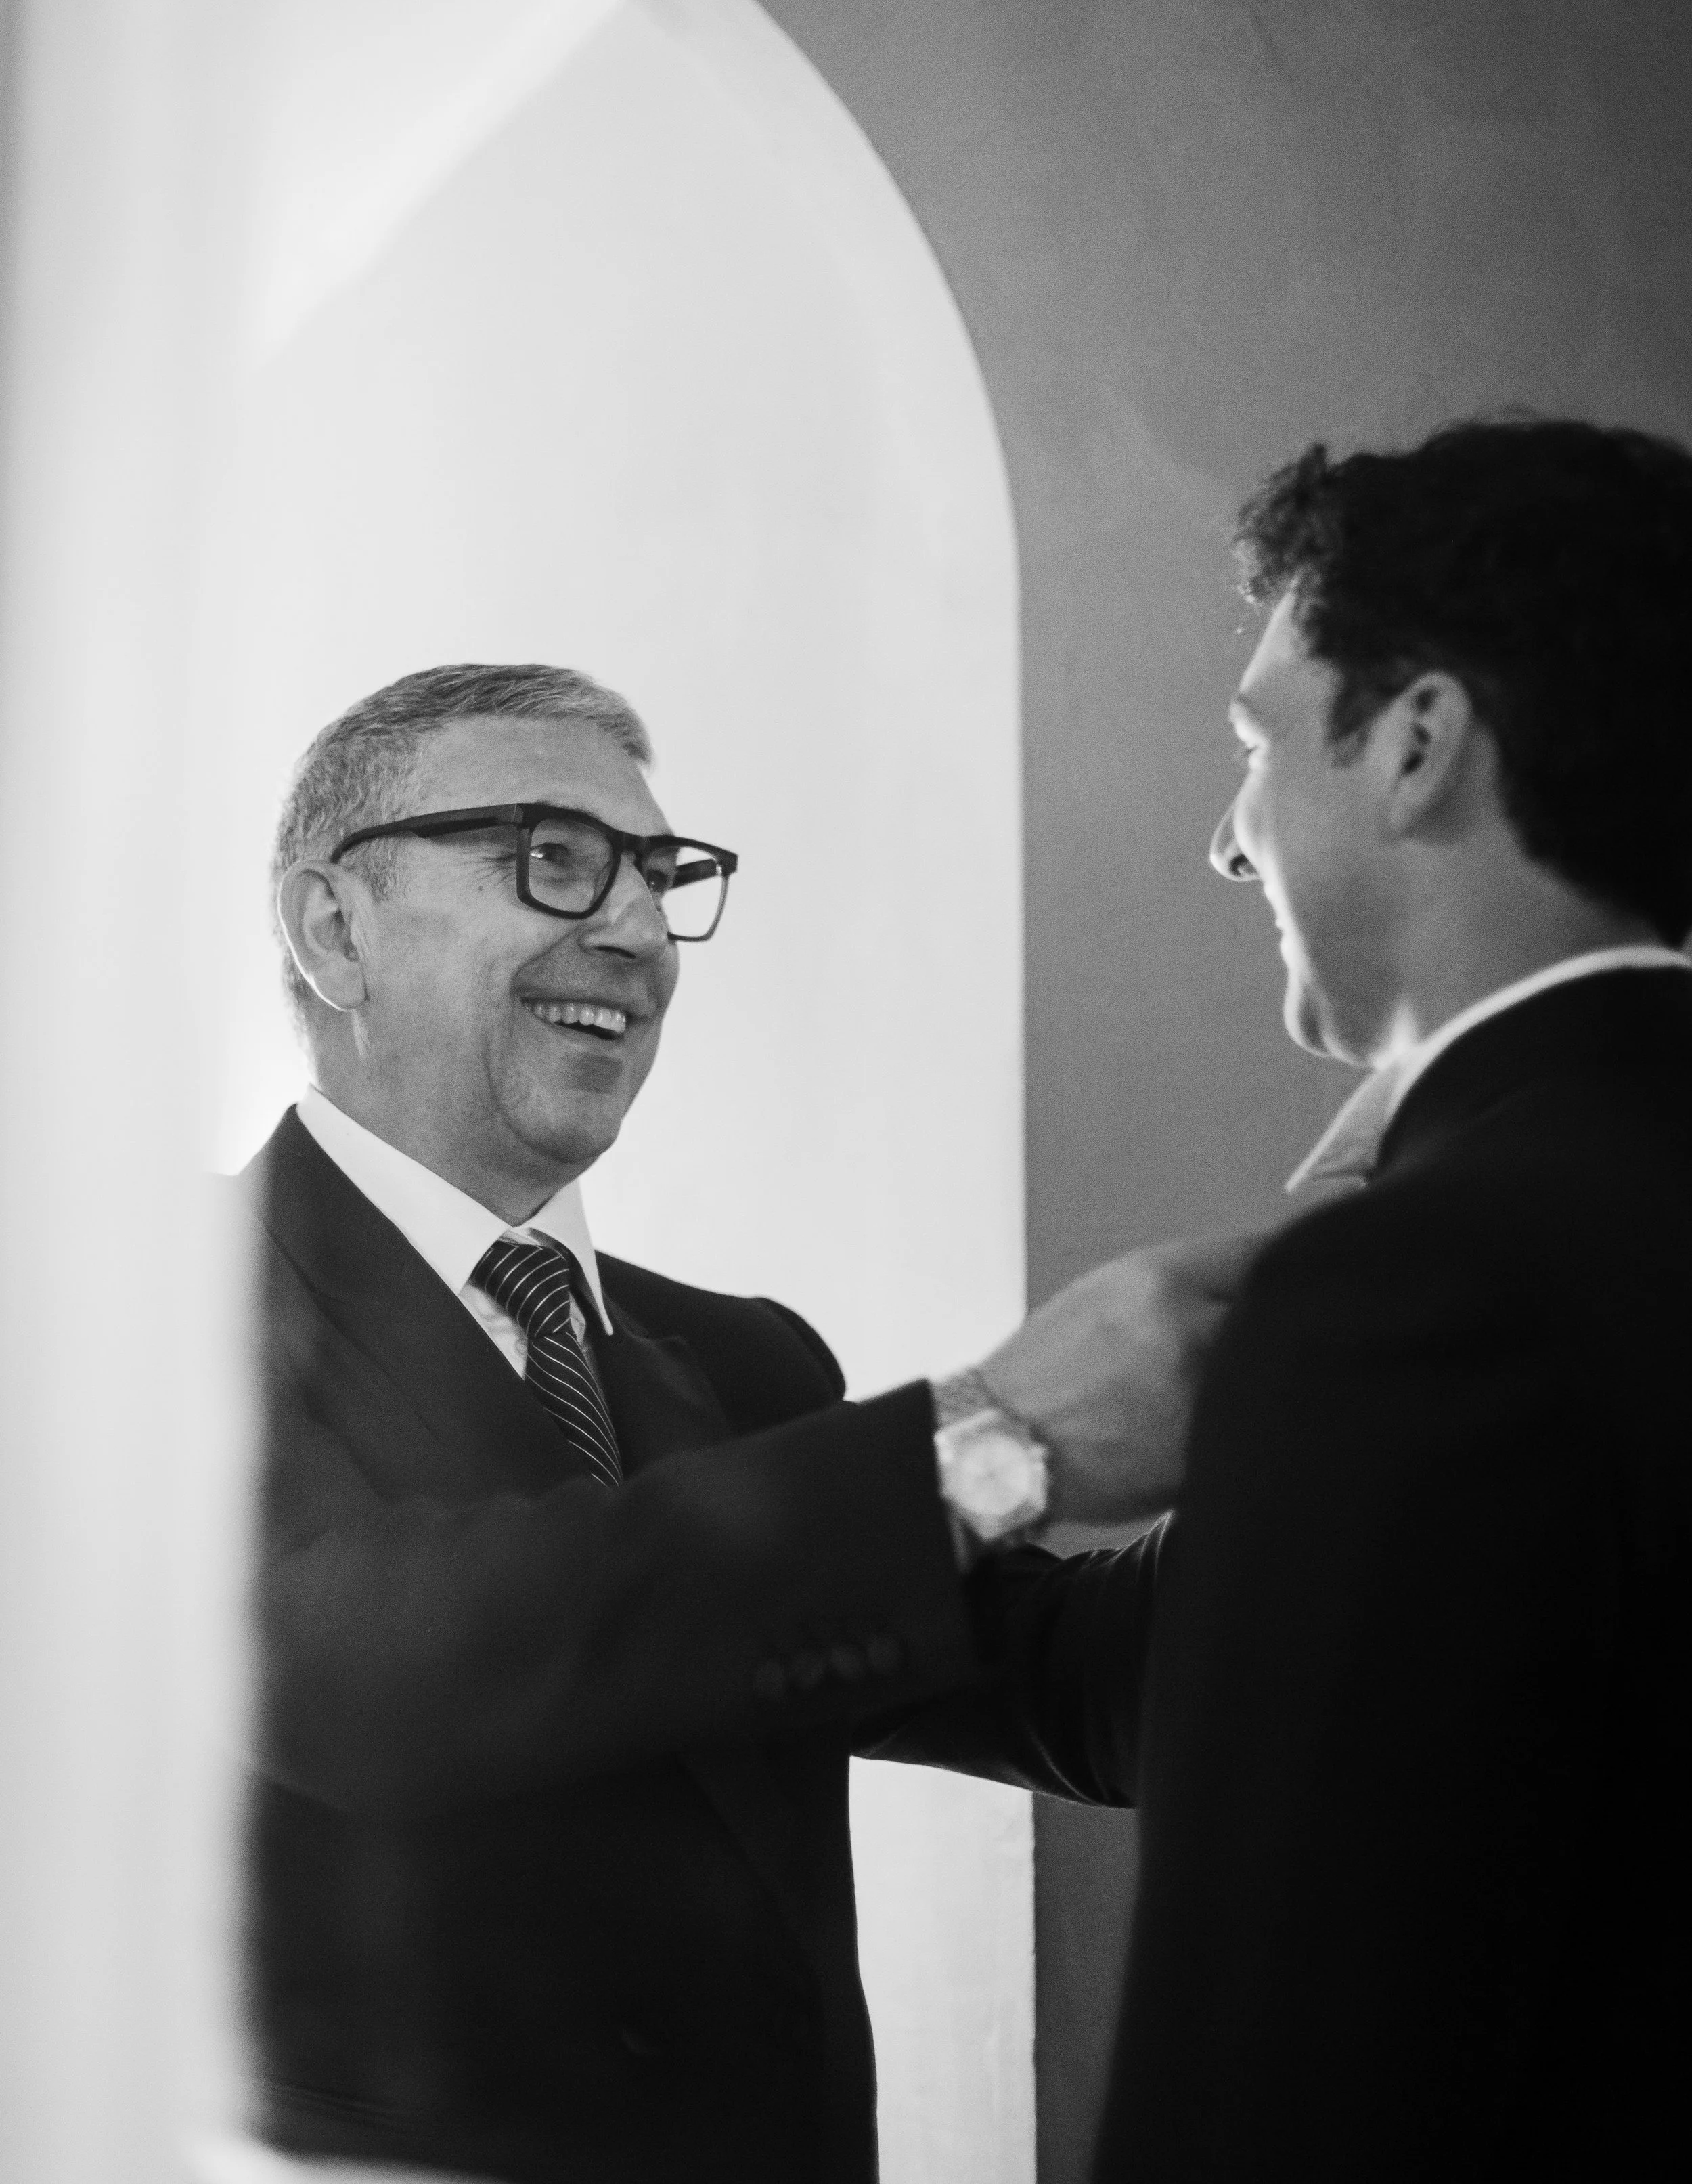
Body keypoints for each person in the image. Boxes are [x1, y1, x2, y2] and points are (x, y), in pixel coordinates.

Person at [239, 661, 1251, 2184]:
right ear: (336, 927)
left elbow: (1078, 1688)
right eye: (556, 858)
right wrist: (985, 1439)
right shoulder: (116, 1304)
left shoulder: (741, 1361)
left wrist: (1357, 1442)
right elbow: (356, 1671)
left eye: (662, 876)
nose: (639, 930)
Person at [1081, 418, 1692, 2181]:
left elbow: (1266, 2082)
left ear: (1415, 739)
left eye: (1256, 744)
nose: (1224, 840)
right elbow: (1155, 1651)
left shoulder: (1413, 1292)